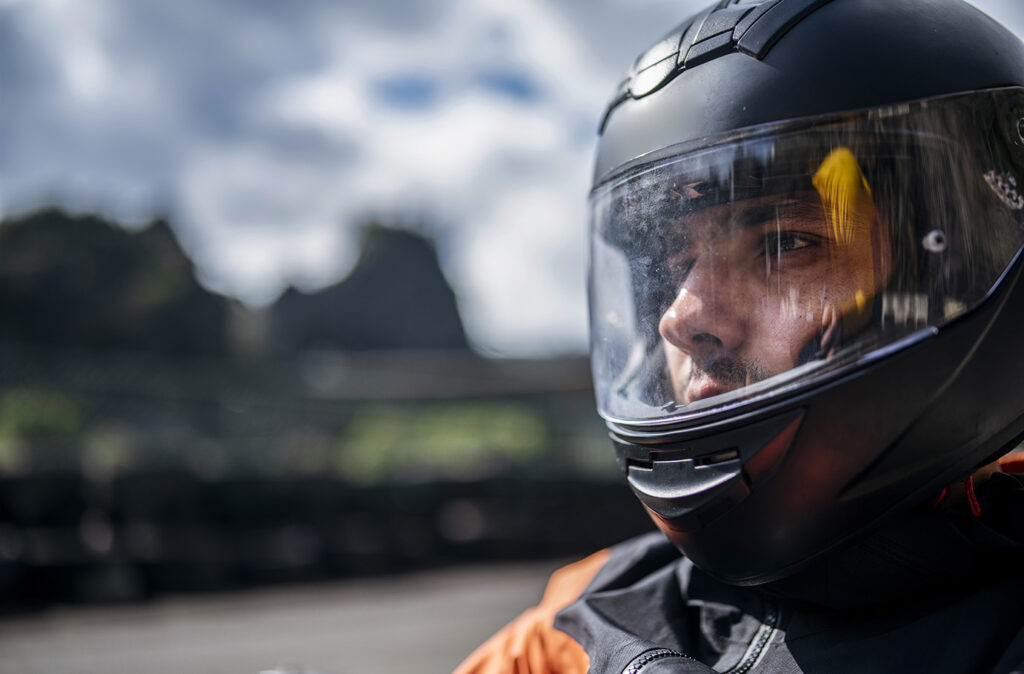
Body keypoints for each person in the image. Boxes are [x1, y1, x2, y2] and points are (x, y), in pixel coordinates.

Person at [457, 0, 1024, 672]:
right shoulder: (571, 631)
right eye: (673, 268)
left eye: (786, 244)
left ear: (960, 264)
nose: (682, 316)